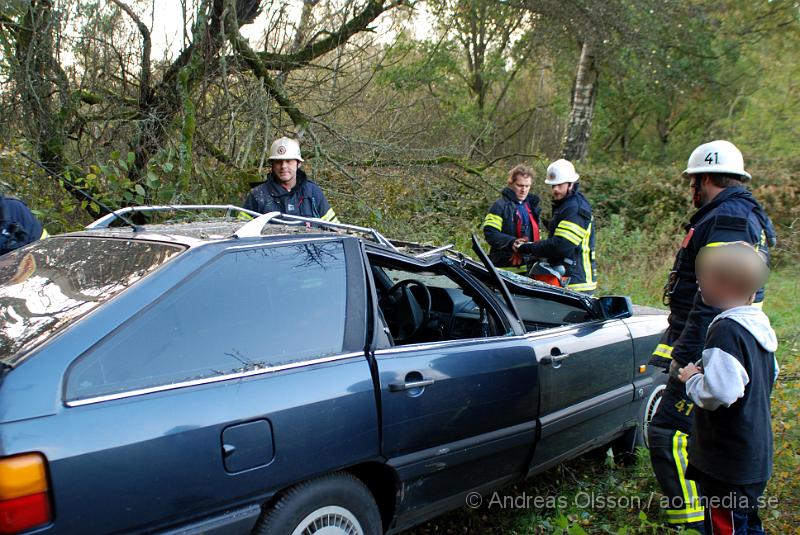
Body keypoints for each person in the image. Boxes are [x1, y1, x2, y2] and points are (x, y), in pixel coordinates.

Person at [647, 140, 776, 532]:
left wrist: (683, 361)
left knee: (666, 431)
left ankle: (694, 521)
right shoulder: (735, 213)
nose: (692, 189)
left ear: (704, 178)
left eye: (693, 181)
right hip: (713, 349)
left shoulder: (727, 219)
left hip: (706, 348)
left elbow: (713, 295)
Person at [677, 242, 777, 535]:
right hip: (752, 455)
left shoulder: (726, 331)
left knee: (726, 527)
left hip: (728, 462)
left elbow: (721, 392)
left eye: (704, 277)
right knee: (747, 522)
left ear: (722, 285)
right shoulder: (758, 325)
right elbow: (769, 374)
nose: (699, 282)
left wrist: (693, 377)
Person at [514, 159, 597, 293]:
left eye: (559, 185)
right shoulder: (565, 205)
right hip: (565, 279)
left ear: (571, 184)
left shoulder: (575, 208)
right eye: (553, 186)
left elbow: (561, 246)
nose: (555, 189)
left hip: (576, 284)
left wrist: (528, 247)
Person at [243, 137, 339, 222]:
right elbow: (240, 231)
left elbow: (335, 229)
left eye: (288, 161)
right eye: (278, 162)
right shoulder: (257, 195)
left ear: (298, 163)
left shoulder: (313, 192)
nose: (283, 166)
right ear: (272, 165)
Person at [482, 164, 543, 273]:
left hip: (529, 268)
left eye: (527, 186)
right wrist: (511, 242)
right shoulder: (499, 206)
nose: (523, 190)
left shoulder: (532, 207)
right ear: (511, 184)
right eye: (520, 185)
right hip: (504, 268)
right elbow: (490, 233)